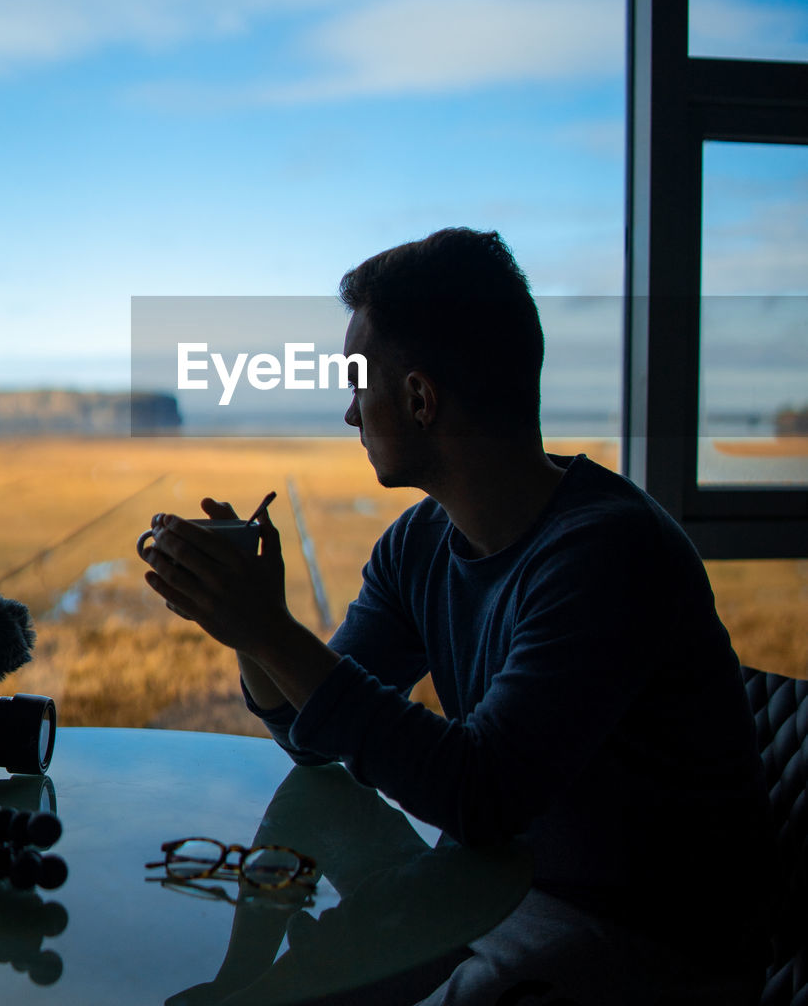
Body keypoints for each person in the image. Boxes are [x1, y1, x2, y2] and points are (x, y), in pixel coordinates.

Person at [142, 227, 773, 1004]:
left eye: (356, 381)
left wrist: (269, 631)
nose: (348, 412)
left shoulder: (609, 554)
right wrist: (248, 629)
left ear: (418, 397)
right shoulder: (422, 543)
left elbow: (481, 795)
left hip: (658, 945)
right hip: (497, 898)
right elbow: (316, 735)